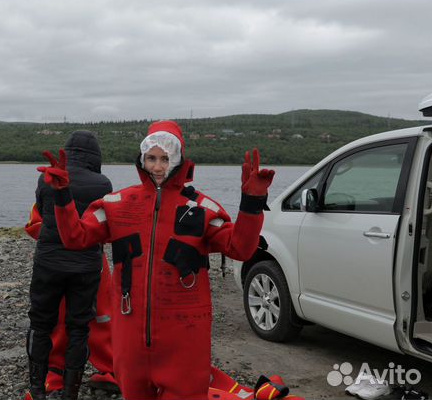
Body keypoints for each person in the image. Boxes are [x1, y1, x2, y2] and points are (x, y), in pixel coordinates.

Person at [37, 120, 275, 400]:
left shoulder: (202, 209)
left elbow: (240, 249)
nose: (159, 167)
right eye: (151, 158)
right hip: (130, 338)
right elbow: (76, 238)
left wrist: (252, 201)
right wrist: (63, 196)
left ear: (179, 161)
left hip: (185, 337)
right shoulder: (116, 204)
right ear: (142, 160)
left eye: (166, 159)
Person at [27, 130, 113, 400]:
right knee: (80, 328)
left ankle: (38, 389)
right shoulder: (103, 184)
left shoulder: (46, 177)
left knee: (41, 325)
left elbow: (40, 211)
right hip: (86, 265)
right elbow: (104, 222)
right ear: (95, 157)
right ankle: (70, 393)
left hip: (49, 262)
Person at [24, 204, 118, 395]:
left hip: (57, 260)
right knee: (97, 315)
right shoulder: (100, 186)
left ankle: (57, 373)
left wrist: (59, 236)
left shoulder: (49, 186)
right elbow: (112, 225)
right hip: (91, 260)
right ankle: (109, 369)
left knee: (64, 317)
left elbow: (35, 224)